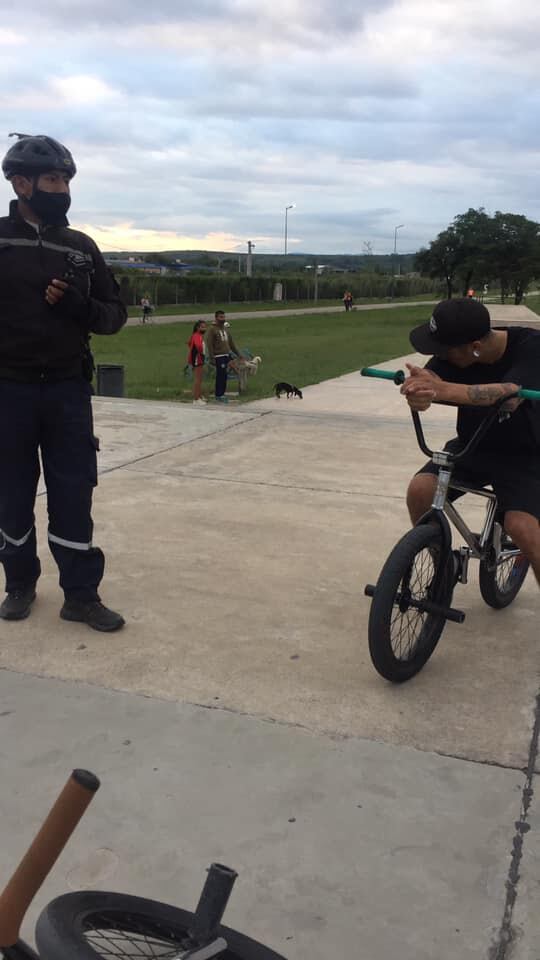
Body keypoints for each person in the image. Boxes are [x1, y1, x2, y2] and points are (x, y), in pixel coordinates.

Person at [0, 132, 127, 630]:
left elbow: (114, 316)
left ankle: (80, 594)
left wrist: (80, 306)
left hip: (68, 391)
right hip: (8, 390)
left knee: (74, 491)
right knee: (11, 492)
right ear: (22, 183)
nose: (62, 188)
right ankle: (19, 584)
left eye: (67, 179)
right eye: (53, 179)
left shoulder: (80, 247)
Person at [401, 297, 540, 588]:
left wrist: (442, 389)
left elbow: (510, 395)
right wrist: (420, 392)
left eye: (444, 351)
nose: (440, 356)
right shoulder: (455, 349)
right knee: (420, 490)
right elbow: (433, 379)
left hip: (526, 454)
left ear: (474, 347)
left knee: (524, 529)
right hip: (473, 444)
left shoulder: (530, 346)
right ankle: (444, 564)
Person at [204, 310, 243, 403]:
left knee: (225, 375)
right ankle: (218, 394)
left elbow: (231, 343)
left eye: (224, 317)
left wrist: (239, 354)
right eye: (221, 317)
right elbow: (209, 344)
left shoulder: (225, 329)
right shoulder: (212, 329)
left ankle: (223, 393)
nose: (223, 319)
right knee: (220, 375)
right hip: (218, 355)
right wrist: (212, 357)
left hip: (226, 355)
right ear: (216, 318)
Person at [186, 319, 207, 404]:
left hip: (200, 358)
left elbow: (189, 343)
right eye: (202, 327)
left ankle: (199, 396)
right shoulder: (196, 335)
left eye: (205, 327)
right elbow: (198, 345)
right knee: (198, 379)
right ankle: (196, 399)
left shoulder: (197, 335)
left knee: (200, 379)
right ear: (198, 328)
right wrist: (201, 352)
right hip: (197, 358)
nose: (204, 328)